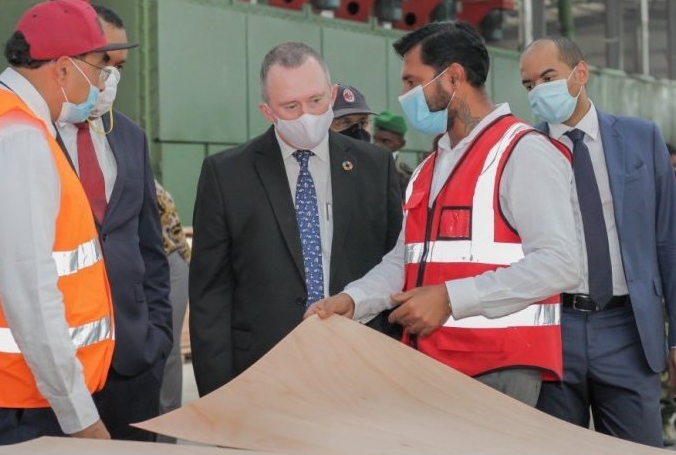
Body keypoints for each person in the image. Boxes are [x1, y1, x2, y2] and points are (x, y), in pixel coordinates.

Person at [307, 22, 580, 407]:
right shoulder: (429, 169)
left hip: (499, 366)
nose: (405, 95)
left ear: (453, 77)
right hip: (432, 364)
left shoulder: (523, 153)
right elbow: (403, 261)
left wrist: (452, 298)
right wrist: (354, 301)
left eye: (412, 82)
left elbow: (560, 263)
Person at [0, 0, 136, 445]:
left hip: (0, 386)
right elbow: (31, 292)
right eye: (99, 69)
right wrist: (80, 416)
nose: (102, 84)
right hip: (27, 399)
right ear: (63, 68)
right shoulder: (17, 138)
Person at [189, 42, 402, 396]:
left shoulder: (374, 167)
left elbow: (395, 264)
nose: (307, 115)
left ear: (332, 95)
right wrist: (219, 395)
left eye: (316, 101)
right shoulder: (227, 174)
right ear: (267, 111)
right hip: (263, 374)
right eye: (291, 107)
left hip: (361, 369)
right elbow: (210, 295)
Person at [519, 37, 676, 447]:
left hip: (628, 329)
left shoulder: (641, 138)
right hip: (553, 327)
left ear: (581, 73)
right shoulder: (523, 152)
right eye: (529, 85)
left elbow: (668, 242)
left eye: (548, 78)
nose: (538, 91)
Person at [56, 5, 171, 442]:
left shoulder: (130, 136)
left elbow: (150, 244)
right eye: (103, 63)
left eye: (119, 67)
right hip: (60, 360)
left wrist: (157, 335)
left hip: (133, 358)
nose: (110, 79)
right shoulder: (33, 136)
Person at [156, 181, 191, 439]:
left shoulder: (148, 183)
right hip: (146, 266)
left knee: (168, 348)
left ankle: (168, 428)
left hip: (171, 262)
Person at [372, 110, 414, 192]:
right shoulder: (362, 167)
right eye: (375, 140)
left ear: (401, 144)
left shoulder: (406, 177)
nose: (377, 145)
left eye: (385, 141)